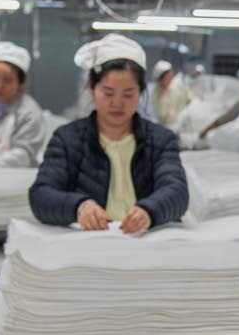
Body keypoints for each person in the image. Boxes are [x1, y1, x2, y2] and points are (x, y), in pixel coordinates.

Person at [29, 34, 189, 234]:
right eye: (108, 92)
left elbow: (177, 192)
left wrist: (150, 211)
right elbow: (41, 195)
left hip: (146, 247)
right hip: (91, 248)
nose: (117, 103)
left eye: (128, 94)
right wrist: (79, 207)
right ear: (92, 88)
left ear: (141, 92)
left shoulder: (160, 140)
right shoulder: (68, 140)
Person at [149, 59, 193, 130]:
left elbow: (190, 100)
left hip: (183, 126)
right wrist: (162, 95)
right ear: (160, 79)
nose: (170, 78)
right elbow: (161, 114)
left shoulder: (179, 85)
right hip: (166, 128)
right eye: (167, 77)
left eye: (171, 75)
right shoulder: (156, 93)